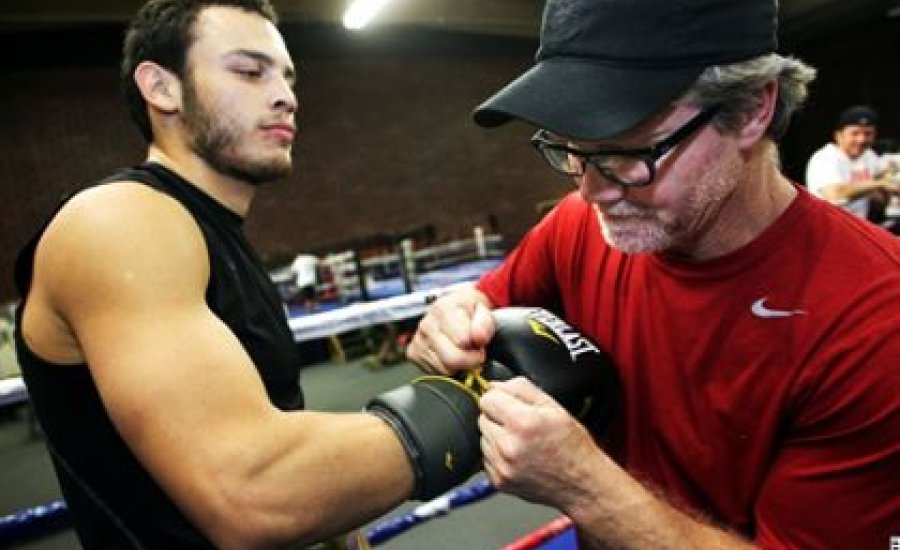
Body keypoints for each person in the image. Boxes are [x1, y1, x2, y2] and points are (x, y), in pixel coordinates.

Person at [406, 0, 900, 548]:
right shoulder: (580, 224)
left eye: (627, 152)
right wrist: (451, 323)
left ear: (753, 109)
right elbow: (479, 307)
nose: (590, 192)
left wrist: (586, 486)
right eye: (569, 149)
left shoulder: (876, 322)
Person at [12, 1, 486, 548]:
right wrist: (484, 402)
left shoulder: (208, 233)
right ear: (162, 88)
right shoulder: (119, 221)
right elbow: (253, 491)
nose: (286, 95)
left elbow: (277, 427)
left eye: (286, 76)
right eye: (249, 71)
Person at [806, 105, 900, 226]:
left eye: (868, 133)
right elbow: (834, 193)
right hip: (828, 227)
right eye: (855, 133)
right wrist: (879, 183)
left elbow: (884, 182)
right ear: (838, 135)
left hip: (858, 227)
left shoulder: (869, 156)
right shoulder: (825, 158)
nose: (861, 139)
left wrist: (888, 183)